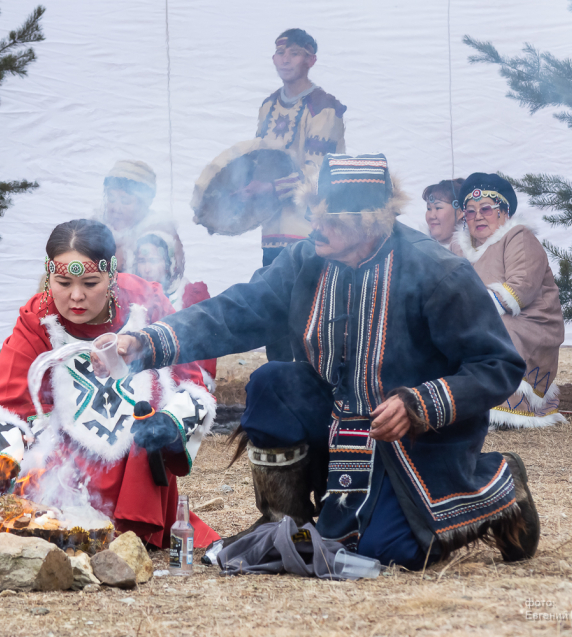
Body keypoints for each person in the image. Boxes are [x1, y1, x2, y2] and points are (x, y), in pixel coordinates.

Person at [108, 154, 540, 568]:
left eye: (329, 220)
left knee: (390, 551)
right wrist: (147, 341)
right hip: (336, 417)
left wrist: (419, 404)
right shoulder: (306, 259)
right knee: (272, 383)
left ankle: (500, 483)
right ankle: (284, 522)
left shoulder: (439, 272)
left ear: (369, 225)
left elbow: (498, 365)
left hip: (414, 438)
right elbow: (239, 309)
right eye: (314, 214)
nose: (315, 228)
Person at [0, 219, 220, 548]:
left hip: (137, 452)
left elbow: (192, 381)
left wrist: (169, 424)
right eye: (62, 282)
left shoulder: (145, 301)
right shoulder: (38, 317)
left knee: (143, 425)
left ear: (111, 276)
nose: (76, 296)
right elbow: (6, 403)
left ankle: (135, 523)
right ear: (49, 277)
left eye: (90, 283)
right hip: (62, 461)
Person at [451, 174, 566, 430]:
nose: (478, 216)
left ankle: (492, 405)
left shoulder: (519, 236)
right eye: (470, 212)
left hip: (529, 325)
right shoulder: (458, 248)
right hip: (483, 318)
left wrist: (469, 313)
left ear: (504, 212)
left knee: (493, 332)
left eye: (486, 209)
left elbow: (520, 289)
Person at [238, 28, 346, 268]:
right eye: (280, 52)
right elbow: (260, 158)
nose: (285, 59)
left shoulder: (323, 107)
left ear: (311, 61)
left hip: (311, 234)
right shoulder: (268, 105)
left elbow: (319, 173)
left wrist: (269, 187)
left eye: (295, 53)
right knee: (273, 302)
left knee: (305, 304)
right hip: (272, 234)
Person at [133, 231, 218, 384]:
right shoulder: (130, 295)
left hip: (184, 374)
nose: (146, 269)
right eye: (142, 261)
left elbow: (205, 346)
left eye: (153, 260)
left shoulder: (190, 295)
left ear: (168, 263)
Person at [96, 160, 175, 273]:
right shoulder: (94, 228)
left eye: (125, 201)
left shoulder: (159, 235)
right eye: (111, 198)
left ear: (145, 203)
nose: (116, 208)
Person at [422, 178, 464, 249]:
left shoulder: (473, 253)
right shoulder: (416, 247)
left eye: (438, 208)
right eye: (429, 208)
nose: (431, 216)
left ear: (460, 212)